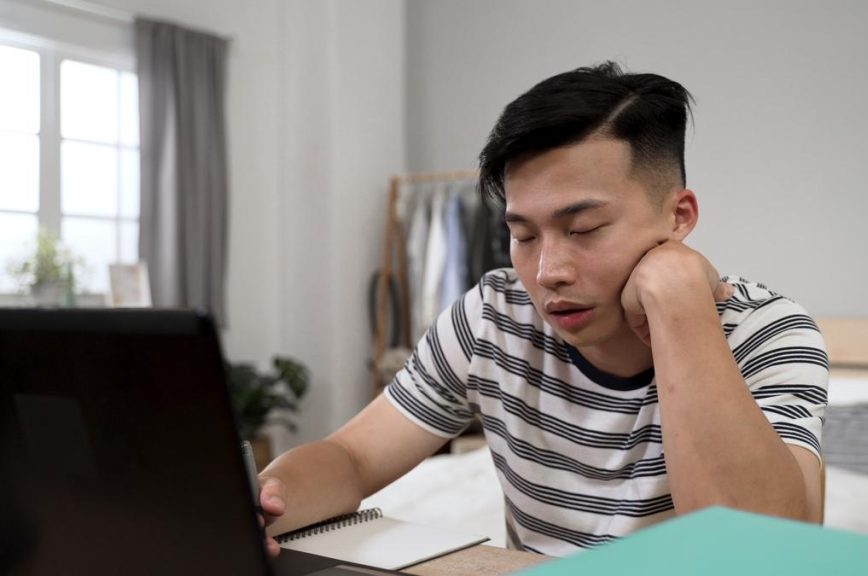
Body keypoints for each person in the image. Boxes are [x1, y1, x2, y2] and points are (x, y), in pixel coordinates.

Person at [258, 61, 829, 558]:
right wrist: (266, 500)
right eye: (524, 236)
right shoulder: (492, 317)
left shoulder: (766, 333)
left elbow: (764, 553)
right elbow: (352, 457)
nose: (548, 270)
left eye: (584, 228)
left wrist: (677, 292)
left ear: (679, 217)